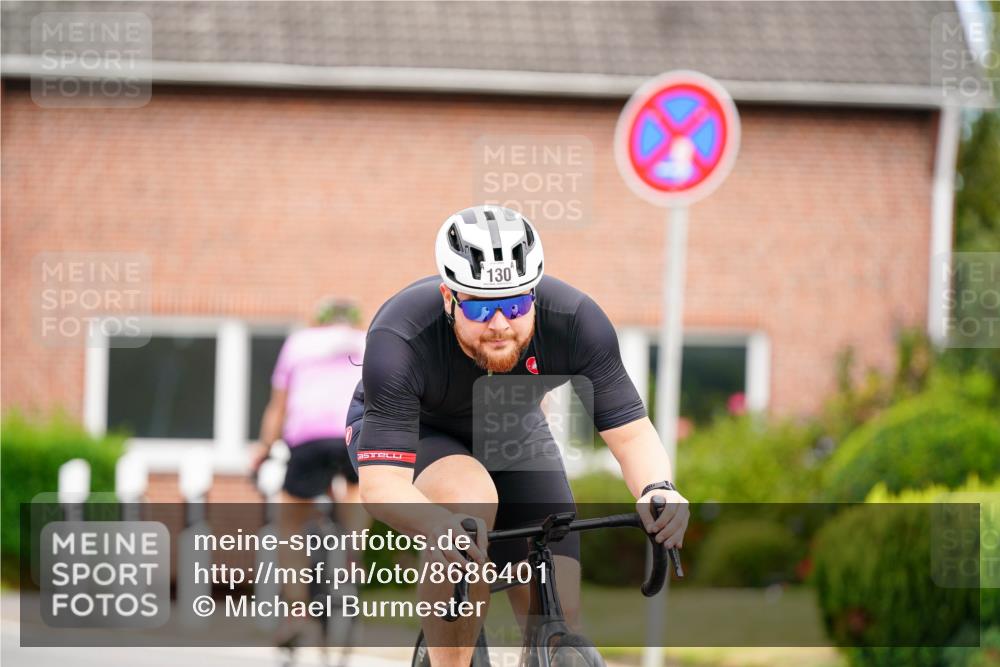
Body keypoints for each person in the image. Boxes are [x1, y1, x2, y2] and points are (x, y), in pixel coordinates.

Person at [345, 205, 690, 667]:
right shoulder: (401, 335)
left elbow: (630, 436)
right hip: (417, 434)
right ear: (448, 296)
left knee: (560, 617)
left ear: (534, 292)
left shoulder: (575, 321)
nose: (500, 324)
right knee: (469, 501)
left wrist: (657, 488)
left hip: (512, 428)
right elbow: (381, 486)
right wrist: (436, 526)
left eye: (514, 304)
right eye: (481, 306)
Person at [252, 297, 369, 644]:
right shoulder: (367, 339)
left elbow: (279, 406)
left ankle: (297, 612)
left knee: (289, 518)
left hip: (308, 439)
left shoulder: (299, 342)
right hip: (355, 430)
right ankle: (352, 556)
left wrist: (263, 449)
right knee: (359, 491)